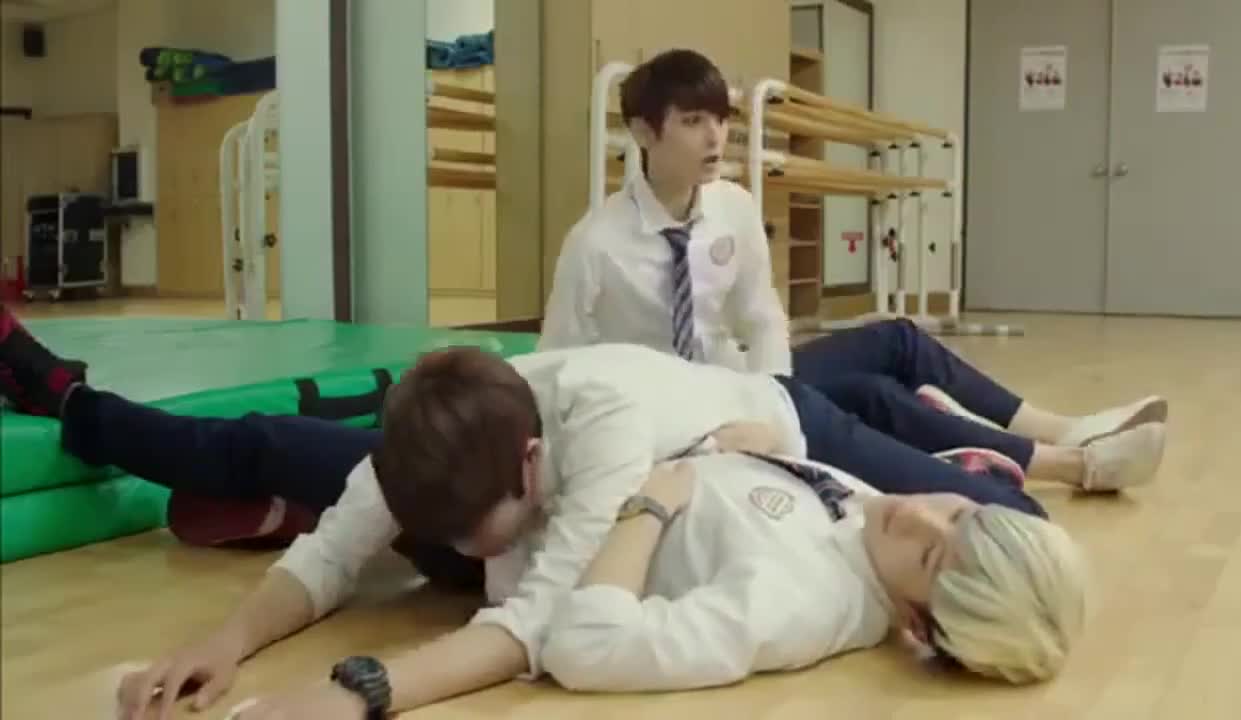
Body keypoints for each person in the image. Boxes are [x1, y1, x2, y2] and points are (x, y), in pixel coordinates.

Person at [0, 306, 1123, 719]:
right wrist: (223, 640)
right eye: (946, 518)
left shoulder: (628, 474)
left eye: (933, 555)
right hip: (704, 438)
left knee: (424, 550)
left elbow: (546, 628)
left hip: (671, 450)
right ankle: (69, 398)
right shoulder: (484, 423)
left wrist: (354, 694)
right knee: (281, 449)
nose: (920, 523)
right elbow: (356, 539)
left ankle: (275, 502)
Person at [538, 47, 1169, 486]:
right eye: (693, 122)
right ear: (644, 133)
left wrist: (772, 398)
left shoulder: (733, 207)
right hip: (676, 415)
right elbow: (555, 370)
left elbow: (762, 317)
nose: (716, 138)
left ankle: (1063, 433)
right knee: (872, 395)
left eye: (722, 120)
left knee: (896, 339)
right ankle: (1069, 465)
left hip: (746, 385)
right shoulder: (595, 244)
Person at [542, 453, 1087, 692]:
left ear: (919, 626)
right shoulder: (868, 528)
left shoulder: (799, 603)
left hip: (543, 502)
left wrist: (647, 509)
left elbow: (590, 646)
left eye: (927, 557)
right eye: (958, 514)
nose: (917, 515)